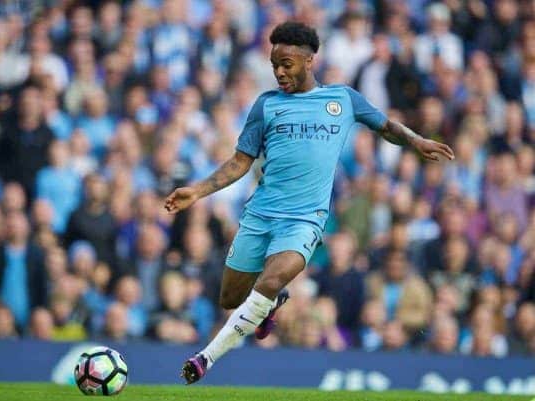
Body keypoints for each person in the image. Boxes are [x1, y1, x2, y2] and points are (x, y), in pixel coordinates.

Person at [164, 21, 455, 384]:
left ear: (309, 60)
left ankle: (205, 358)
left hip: (305, 219)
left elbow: (386, 127)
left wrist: (416, 140)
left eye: (286, 64)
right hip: (260, 214)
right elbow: (241, 161)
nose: (279, 72)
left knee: (270, 278)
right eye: (274, 65)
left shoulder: (342, 99)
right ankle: (271, 302)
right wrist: (198, 191)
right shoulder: (267, 105)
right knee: (231, 297)